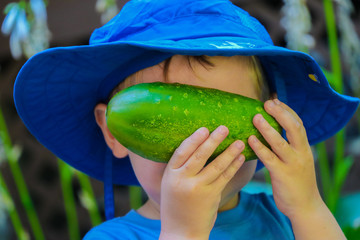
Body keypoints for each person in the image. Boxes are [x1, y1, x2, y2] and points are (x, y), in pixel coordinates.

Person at [13, 0, 359, 239]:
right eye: (165, 127)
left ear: (271, 125)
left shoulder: (287, 218)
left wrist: (309, 207)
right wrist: (184, 233)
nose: (198, 150)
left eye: (220, 122)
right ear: (114, 132)